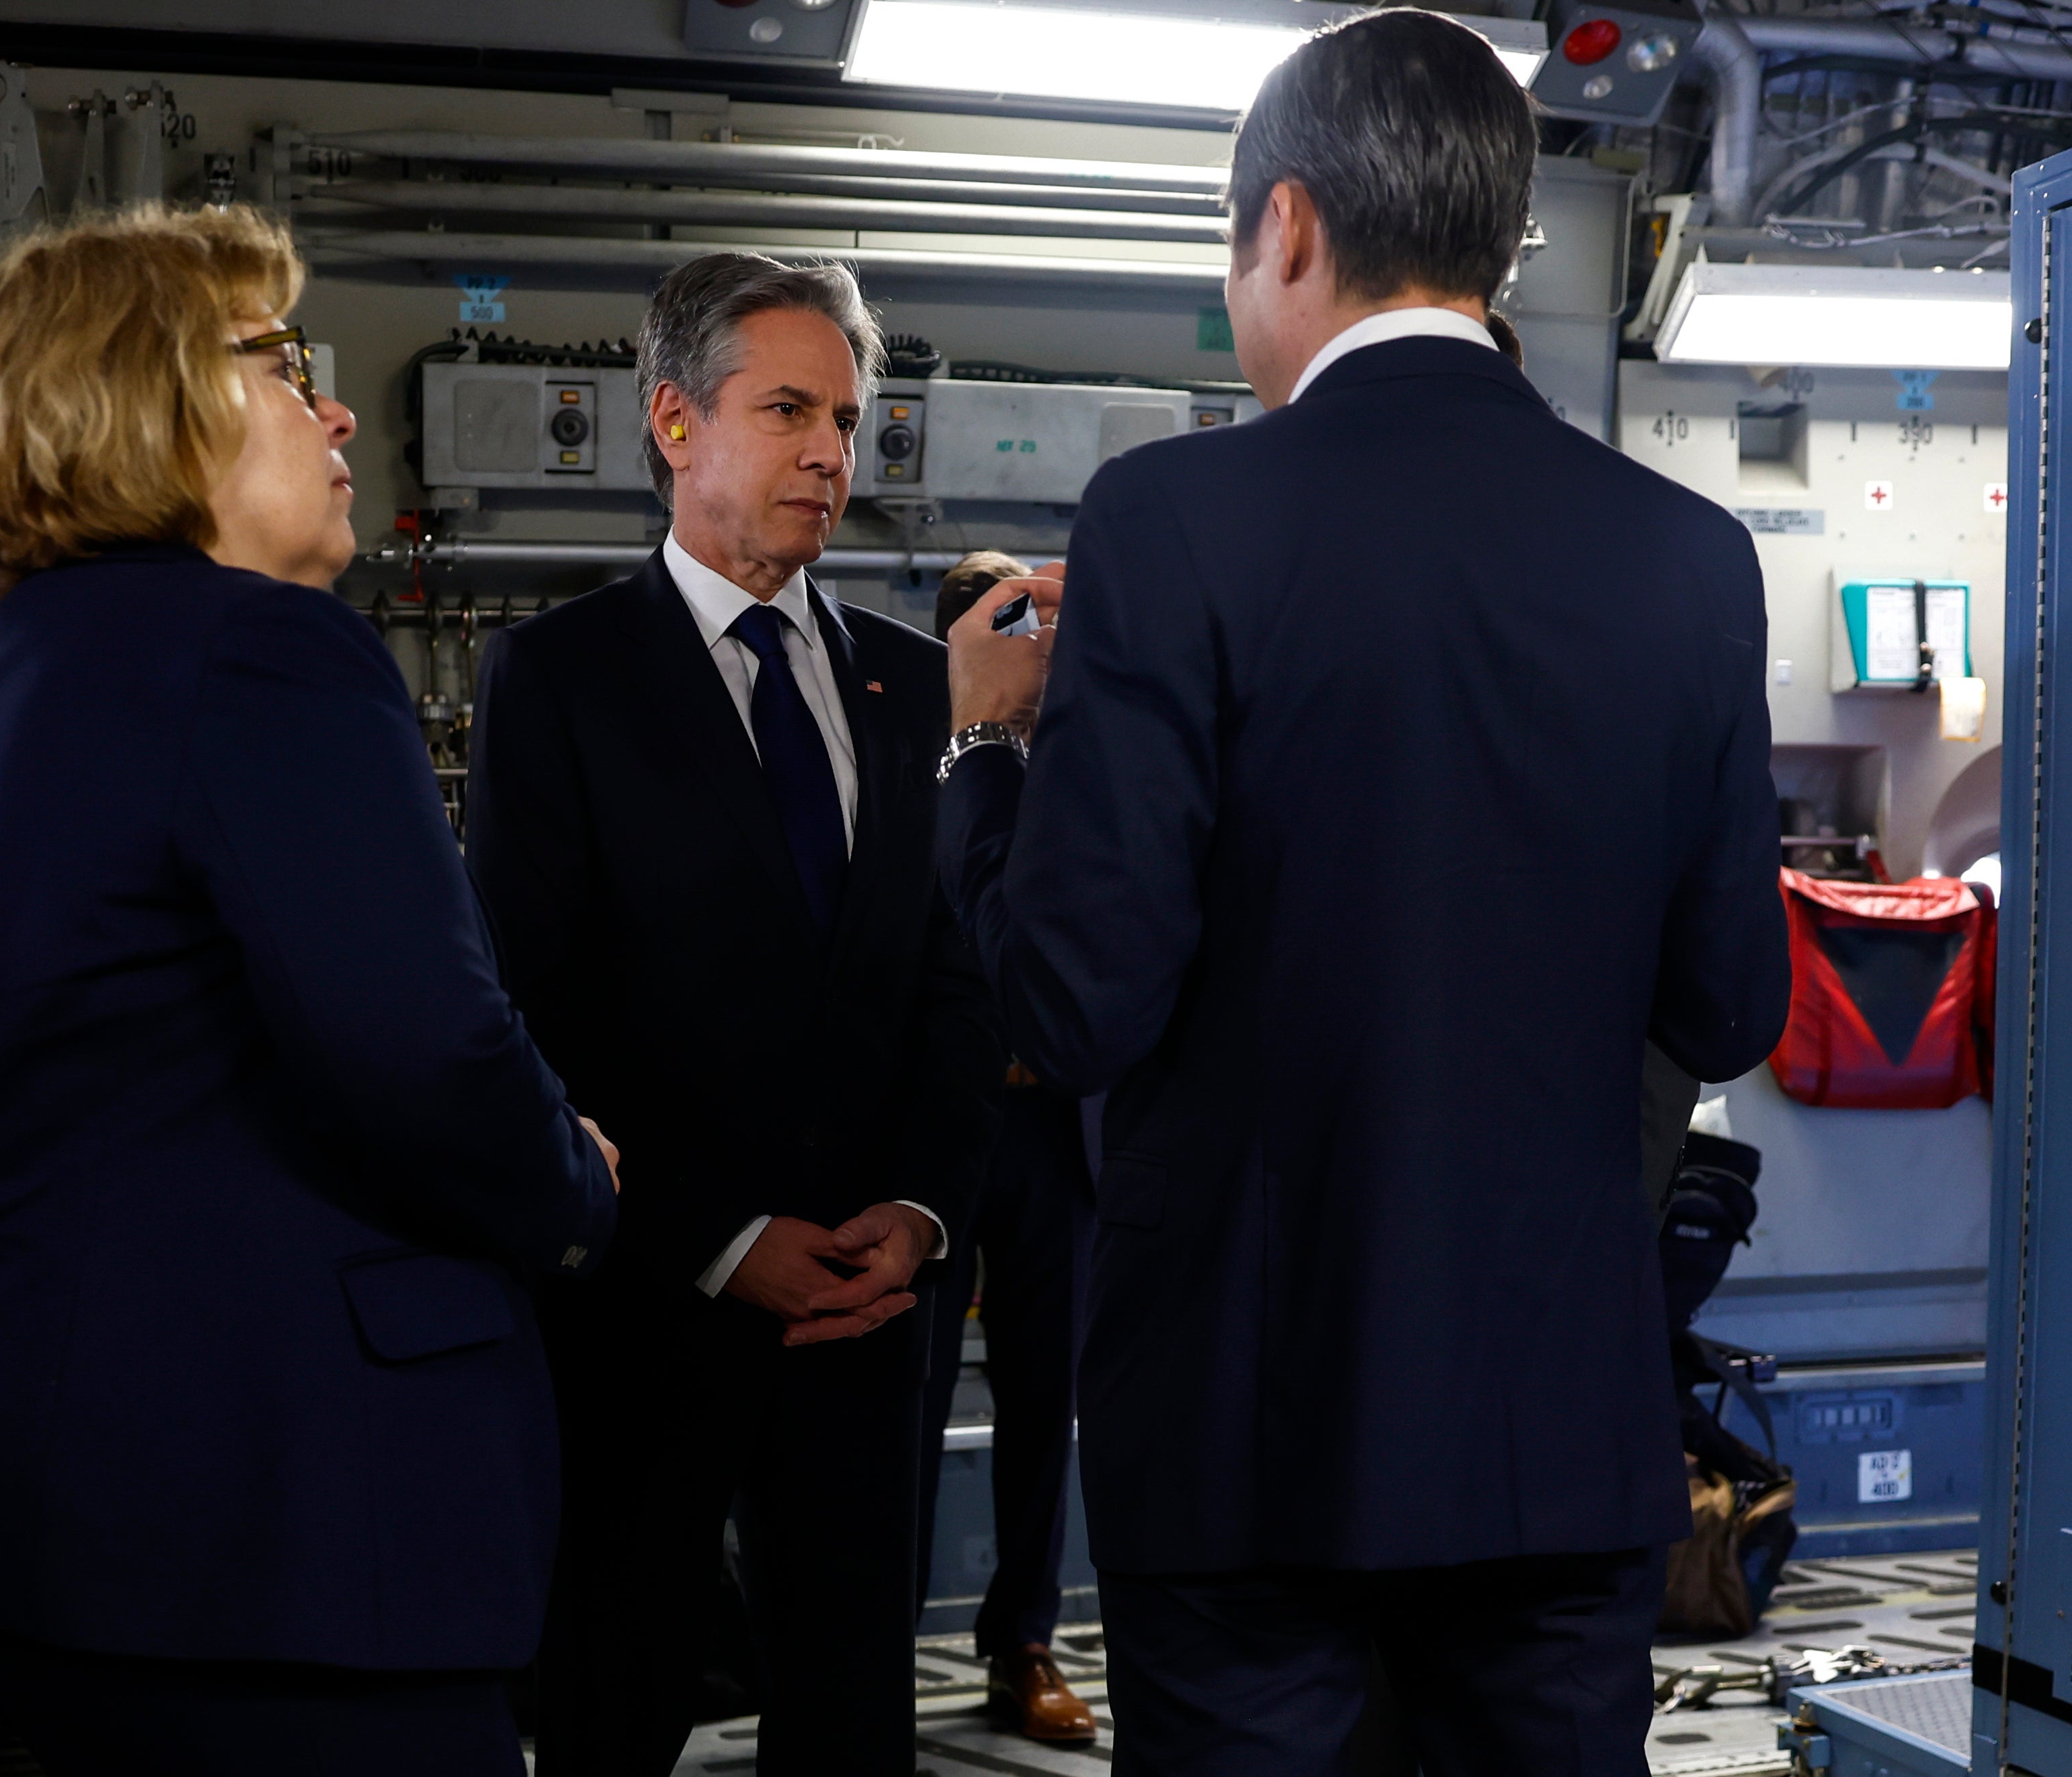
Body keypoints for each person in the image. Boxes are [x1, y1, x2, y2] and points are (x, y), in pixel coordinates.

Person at [934, 13, 1794, 1774]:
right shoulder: (1686, 558)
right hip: (1560, 1438)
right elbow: (1729, 1006)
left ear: (1292, 230)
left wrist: (985, 766)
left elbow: (1076, 1000)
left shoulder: (1176, 523)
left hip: (1255, 1443)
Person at [0, 205, 620, 1776]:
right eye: (282, 362)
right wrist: (574, 1182)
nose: (333, 410)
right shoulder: (263, 656)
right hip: (253, 1541)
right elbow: (428, 1049)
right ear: (139, 400)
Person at [464, 251, 1002, 1777]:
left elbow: (947, 982)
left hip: (867, 1308)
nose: (836, 451)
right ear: (676, 424)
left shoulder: (903, 683)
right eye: (789, 410)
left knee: (851, 1717)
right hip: (650, 1310)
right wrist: (717, 1236)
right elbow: (533, 1002)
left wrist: (915, 1206)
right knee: (617, 1700)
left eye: (848, 417)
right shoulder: (559, 680)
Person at [913, 551, 1097, 1745]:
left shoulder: (1086, 763)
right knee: (904, 1399)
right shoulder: (915, 762)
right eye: (1004, 619)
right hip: (937, 1127)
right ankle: (862, 1642)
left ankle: (1021, 1644)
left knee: (1047, 1401)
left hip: (1055, 1134)